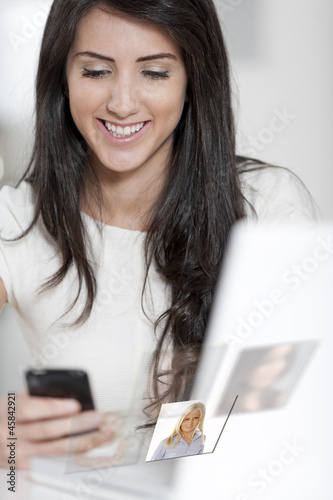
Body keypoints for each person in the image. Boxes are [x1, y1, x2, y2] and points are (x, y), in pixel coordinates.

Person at [0, 0, 318, 469]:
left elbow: (290, 401)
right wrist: (9, 428)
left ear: (192, 82)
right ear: (61, 81)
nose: (123, 102)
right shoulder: (16, 220)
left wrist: (127, 455)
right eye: (95, 72)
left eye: (154, 73)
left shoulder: (267, 205)